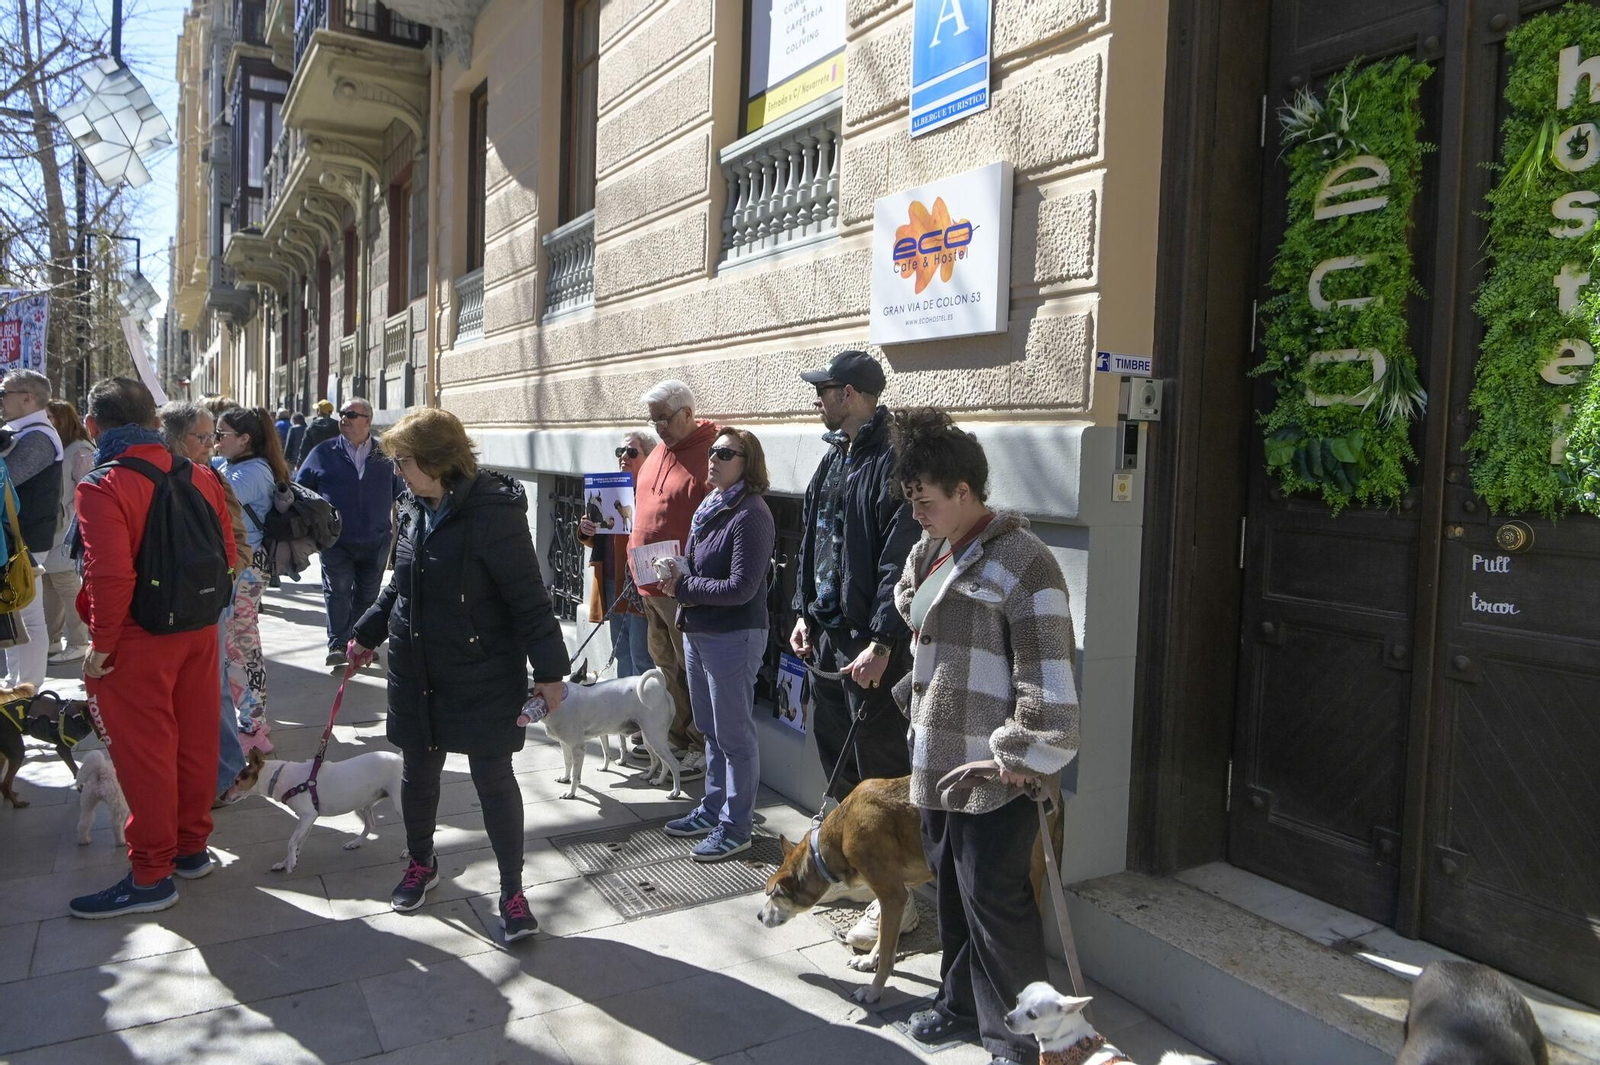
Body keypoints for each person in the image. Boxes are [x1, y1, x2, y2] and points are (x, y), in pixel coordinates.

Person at [888, 409, 1079, 1065]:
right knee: (952, 894)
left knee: (997, 905)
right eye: (912, 498)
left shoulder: (1028, 562)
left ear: (967, 492)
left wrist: (1026, 754)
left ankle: (1019, 1039)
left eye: (927, 500)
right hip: (936, 758)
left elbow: (1048, 675)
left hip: (996, 773)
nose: (917, 511)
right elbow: (911, 603)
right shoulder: (930, 548)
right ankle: (958, 1005)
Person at [349, 408, 568, 942]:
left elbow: (528, 597)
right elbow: (398, 585)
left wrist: (551, 671)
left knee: (493, 779)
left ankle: (513, 891)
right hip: (416, 665)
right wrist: (366, 633)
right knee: (418, 774)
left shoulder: (494, 511)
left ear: (436, 460)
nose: (397, 470)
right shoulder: (411, 506)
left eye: (402, 460)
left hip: (483, 670)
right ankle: (421, 863)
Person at [68, 377, 238, 919]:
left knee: (145, 756)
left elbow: (109, 575)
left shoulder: (102, 484)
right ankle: (190, 848)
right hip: (198, 628)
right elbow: (229, 552)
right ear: (154, 421)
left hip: (137, 639)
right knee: (194, 741)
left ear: (95, 428)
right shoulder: (200, 474)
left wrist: (102, 645)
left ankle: (150, 875)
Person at [790, 350, 921, 947]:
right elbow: (812, 536)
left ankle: (901, 900)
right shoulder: (835, 458)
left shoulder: (893, 458)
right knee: (837, 756)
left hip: (869, 643)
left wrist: (882, 640)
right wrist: (801, 610)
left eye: (825, 390)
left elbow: (900, 561)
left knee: (881, 769)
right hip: (827, 631)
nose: (817, 399)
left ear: (851, 394)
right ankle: (857, 872)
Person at [660, 428, 774, 861]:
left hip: (733, 636)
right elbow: (702, 569)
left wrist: (684, 584)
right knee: (709, 729)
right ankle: (712, 809)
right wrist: (678, 570)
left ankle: (737, 825)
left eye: (725, 453)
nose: (713, 458)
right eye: (712, 451)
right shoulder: (710, 507)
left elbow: (742, 587)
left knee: (734, 735)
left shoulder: (751, 513)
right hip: (699, 630)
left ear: (748, 462)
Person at [159, 401, 249, 802]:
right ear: (174, 438)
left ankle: (225, 775)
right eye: (203, 437)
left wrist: (226, 576)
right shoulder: (153, 475)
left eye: (213, 436)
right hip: (163, 604)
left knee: (213, 690)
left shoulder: (210, 476)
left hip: (207, 600)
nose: (211, 445)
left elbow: (237, 538)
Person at [629, 380, 719, 778]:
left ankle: (702, 744)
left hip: (682, 585)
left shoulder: (711, 451)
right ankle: (678, 738)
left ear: (687, 414)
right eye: (653, 421)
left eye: (664, 419)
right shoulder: (660, 450)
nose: (659, 428)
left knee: (691, 669)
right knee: (665, 666)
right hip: (649, 582)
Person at [296, 397, 401, 668]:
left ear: (367, 420)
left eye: (351, 414)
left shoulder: (385, 454)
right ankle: (338, 645)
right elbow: (301, 490)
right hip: (335, 540)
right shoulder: (323, 452)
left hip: (376, 539)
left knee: (368, 594)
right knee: (338, 590)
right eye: (342, 413)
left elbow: (402, 492)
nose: (344, 418)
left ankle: (359, 644)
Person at [214, 407, 290, 752]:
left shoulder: (253, 473)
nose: (214, 442)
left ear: (244, 439)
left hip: (248, 569)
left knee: (241, 646)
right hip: (238, 567)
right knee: (237, 644)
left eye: (220, 435)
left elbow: (210, 495)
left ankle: (254, 725)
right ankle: (250, 719)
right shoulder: (231, 467)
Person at [0, 369, 63, 688]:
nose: (0, 400)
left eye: (4, 393)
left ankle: (29, 688)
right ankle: (17, 683)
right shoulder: (21, 430)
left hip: (26, 538)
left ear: (28, 397)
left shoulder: (39, 436)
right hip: (17, 536)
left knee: (27, 613)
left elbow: (8, 476)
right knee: (12, 609)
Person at [41, 400, 94, 663]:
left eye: (50, 416)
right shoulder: (59, 448)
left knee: (65, 582)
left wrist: (69, 513)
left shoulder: (79, 450)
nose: (46, 421)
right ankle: (52, 639)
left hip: (67, 528)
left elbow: (87, 489)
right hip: (53, 527)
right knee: (50, 582)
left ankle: (78, 640)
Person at [295, 399, 339, 469]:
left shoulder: (312, 427)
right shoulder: (338, 426)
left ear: (319, 412)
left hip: (316, 462)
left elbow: (305, 448)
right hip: (335, 463)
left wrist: (299, 465)